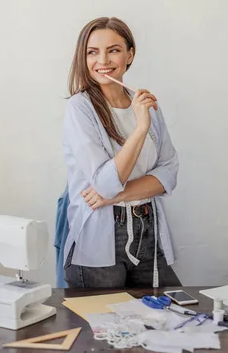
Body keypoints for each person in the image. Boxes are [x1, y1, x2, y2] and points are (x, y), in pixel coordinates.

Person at [61, 17, 180, 288]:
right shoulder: (80, 108)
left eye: (113, 50)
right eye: (92, 52)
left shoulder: (144, 102)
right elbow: (104, 183)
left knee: (166, 321)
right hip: (100, 238)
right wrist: (140, 128)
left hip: (149, 231)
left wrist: (118, 195)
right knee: (105, 327)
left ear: (130, 54)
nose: (103, 60)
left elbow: (169, 172)